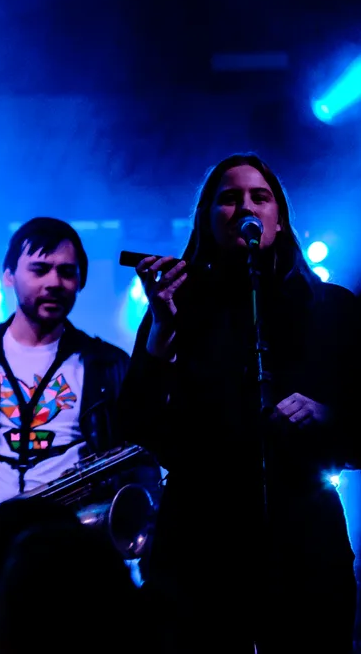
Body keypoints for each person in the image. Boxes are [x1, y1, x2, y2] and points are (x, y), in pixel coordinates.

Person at [119, 153, 361, 652]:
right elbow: (138, 424)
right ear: (207, 220)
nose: (244, 207)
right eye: (227, 199)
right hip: (199, 543)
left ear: (279, 218)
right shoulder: (175, 306)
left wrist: (329, 417)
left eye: (259, 196)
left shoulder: (332, 308)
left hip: (305, 537)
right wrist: (162, 330)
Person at [0, 217, 141, 513]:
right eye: (40, 269)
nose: (54, 283)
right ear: (9, 275)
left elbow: (137, 460)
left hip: (74, 537)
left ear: (80, 282)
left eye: (67, 272)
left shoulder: (109, 364)